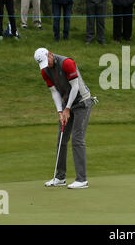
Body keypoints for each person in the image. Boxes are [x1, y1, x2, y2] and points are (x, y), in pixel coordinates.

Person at [34, 48, 98, 189]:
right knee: (61, 139)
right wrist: (60, 111)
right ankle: (59, 177)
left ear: (50, 54)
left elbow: (75, 87)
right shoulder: (45, 70)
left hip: (82, 102)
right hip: (66, 103)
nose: (47, 65)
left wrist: (67, 108)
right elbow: (54, 92)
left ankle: (82, 180)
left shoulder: (67, 63)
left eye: (48, 61)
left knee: (77, 139)